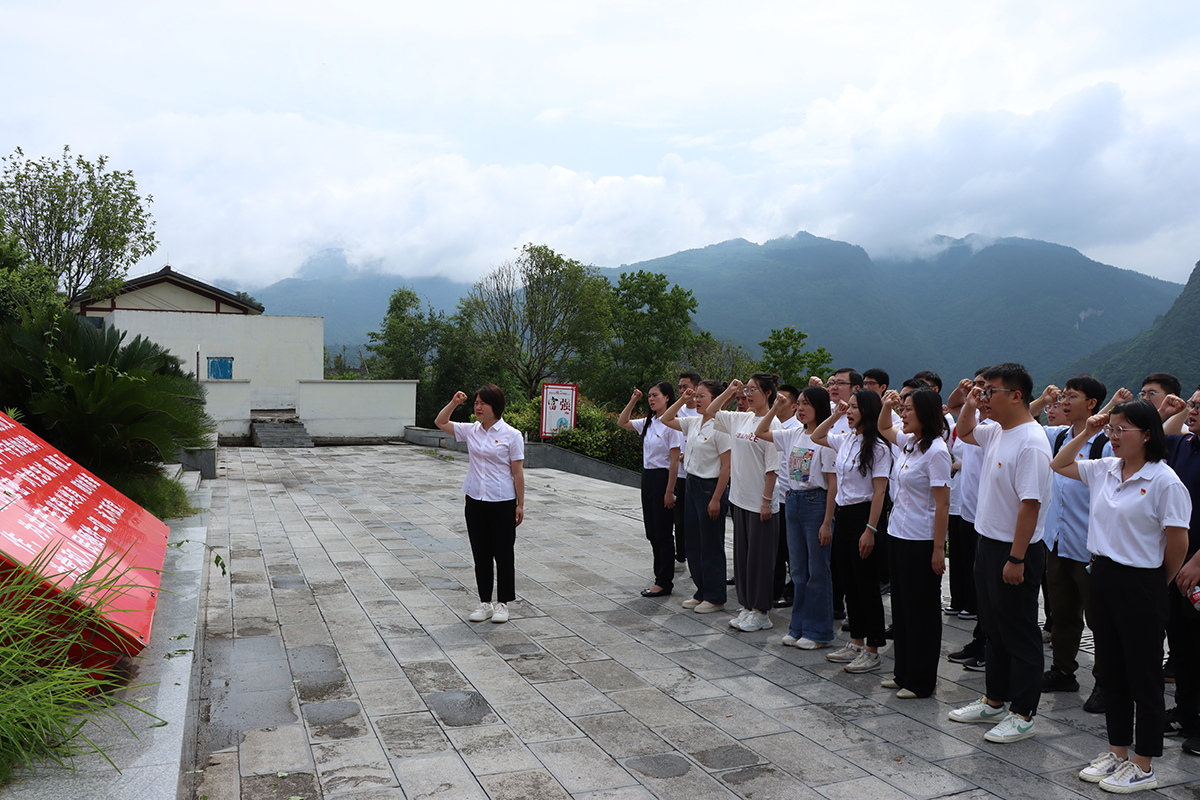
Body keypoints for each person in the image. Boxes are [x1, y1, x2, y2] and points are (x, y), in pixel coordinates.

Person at [1052, 401, 1189, 793]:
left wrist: (1156, 583)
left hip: (1143, 581)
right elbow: (1059, 464)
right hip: (1104, 575)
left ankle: (1144, 763)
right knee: (1111, 670)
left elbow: (1178, 544)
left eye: (1121, 429)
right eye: (1110, 428)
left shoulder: (1164, 481)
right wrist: (1087, 431)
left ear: (1147, 434)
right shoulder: (1105, 469)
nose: (1113, 436)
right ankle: (1117, 751)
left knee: (1143, 675)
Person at [949, 362, 1052, 744]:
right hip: (988, 542)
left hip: (1014, 550)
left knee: (1019, 632)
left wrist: (1016, 558)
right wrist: (971, 402)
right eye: (982, 391)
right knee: (993, 628)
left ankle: (1023, 713)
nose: (984, 398)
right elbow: (964, 432)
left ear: (1016, 395)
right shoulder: (996, 431)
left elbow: (1030, 505)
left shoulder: (1031, 441)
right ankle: (994, 700)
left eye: (991, 392)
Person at [1029, 376, 1112, 714]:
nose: (1063, 401)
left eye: (1072, 396)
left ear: (1092, 404)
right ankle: (1063, 670)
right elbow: (1023, 421)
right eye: (1062, 395)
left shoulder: (1106, 445)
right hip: (1058, 541)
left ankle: (1106, 683)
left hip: (1090, 547)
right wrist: (1041, 400)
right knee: (1062, 613)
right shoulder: (1060, 436)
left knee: (1100, 619)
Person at [811, 388, 892, 673]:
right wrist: (835, 414)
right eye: (849, 407)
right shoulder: (846, 439)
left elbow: (880, 492)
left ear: (868, 411)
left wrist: (870, 529)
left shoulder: (879, 448)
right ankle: (856, 642)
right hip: (844, 516)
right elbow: (816, 436)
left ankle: (873, 649)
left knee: (866, 585)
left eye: (855, 407)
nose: (850, 411)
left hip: (864, 517)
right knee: (849, 582)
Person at [877, 387, 950, 698]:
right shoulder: (910, 443)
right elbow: (883, 427)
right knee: (903, 607)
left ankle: (921, 680)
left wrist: (938, 548)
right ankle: (903, 672)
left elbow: (943, 504)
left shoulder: (937, 452)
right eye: (902, 409)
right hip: (898, 533)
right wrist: (886, 405)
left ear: (925, 413)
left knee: (922, 611)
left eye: (908, 409)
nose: (902, 415)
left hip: (922, 539)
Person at [755, 386, 838, 649]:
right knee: (799, 571)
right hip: (793, 501)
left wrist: (827, 522)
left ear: (820, 407)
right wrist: (774, 408)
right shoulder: (793, 434)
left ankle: (819, 632)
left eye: (807, 404)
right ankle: (798, 627)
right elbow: (760, 432)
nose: (801, 408)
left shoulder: (827, 440)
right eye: (799, 403)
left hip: (816, 503)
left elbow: (833, 485)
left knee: (818, 571)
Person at [435, 385, 525, 624]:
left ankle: (503, 603)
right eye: (476, 403)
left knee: (503, 553)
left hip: (502, 501)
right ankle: (485, 603)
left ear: (496, 405)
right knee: (481, 553)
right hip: (475, 499)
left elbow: (517, 472)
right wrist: (454, 403)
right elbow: (440, 422)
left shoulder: (512, 435)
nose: (478, 407)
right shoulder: (471, 430)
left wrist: (520, 504)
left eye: (483, 403)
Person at [702, 375, 781, 632]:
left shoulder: (773, 423)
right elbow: (711, 411)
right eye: (747, 389)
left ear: (767, 393)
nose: (748, 394)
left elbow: (773, 468)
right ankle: (747, 606)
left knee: (760, 559)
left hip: (761, 503)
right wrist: (730, 390)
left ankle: (761, 612)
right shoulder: (741, 418)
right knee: (743, 558)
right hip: (740, 499)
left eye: (753, 389)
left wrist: (766, 501)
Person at [662, 380, 731, 613]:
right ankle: (701, 591)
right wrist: (682, 400)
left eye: (703, 396)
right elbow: (666, 419)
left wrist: (716, 498)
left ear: (716, 400)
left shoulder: (721, 427)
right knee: (693, 543)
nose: (697, 400)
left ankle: (715, 596)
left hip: (710, 488)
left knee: (710, 544)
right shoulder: (693, 422)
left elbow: (727, 467)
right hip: (691, 484)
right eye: (697, 395)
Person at [619, 382, 684, 598]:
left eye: (655, 395)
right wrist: (633, 400)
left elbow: (674, 461)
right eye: (649, 396)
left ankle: (664, 582)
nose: (651, 399)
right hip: (647, 477)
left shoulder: (671, 424)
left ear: (667, 397)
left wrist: (669, 491)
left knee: (663, 533)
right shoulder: (650, 421)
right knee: (652, 532)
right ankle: (659, 577)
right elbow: (622, 422)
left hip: (663, 478)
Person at [1163, 386, 1200, 756]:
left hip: (1197, 563)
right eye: (1193, 403)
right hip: (1179, 564)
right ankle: (1186, 712)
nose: (1194, 410)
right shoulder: (1185, 445)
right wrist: (1171, 411)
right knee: (1181, 643)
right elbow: (1156, 441)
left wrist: (1198, 560)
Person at [673, 371, 703, 565]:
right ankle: (681, 555)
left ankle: (696, 556)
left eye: (686, 387)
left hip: (696, 474)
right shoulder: (678, 410)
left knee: (695, 519)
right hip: (678, 473)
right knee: (679, 519)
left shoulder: (702, 413)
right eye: (680, 387)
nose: (682, 390)